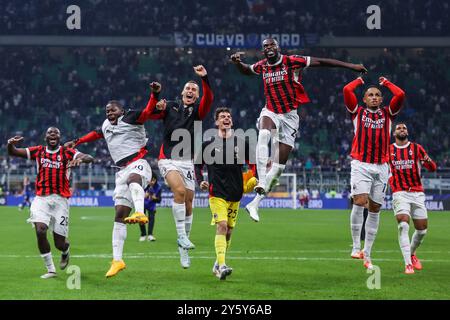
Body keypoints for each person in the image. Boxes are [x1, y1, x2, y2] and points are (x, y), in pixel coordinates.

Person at [230, 38, 367, 222]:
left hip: (290, 117)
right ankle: (261, 180)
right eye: (265, 47)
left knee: (278, 169)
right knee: (263, 134)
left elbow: (322, 62)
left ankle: (254, 204)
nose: (268, 48)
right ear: (263, 51)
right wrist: (238, 63)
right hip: (271, 111)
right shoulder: (262, 66)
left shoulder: (292, 61)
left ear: (277, 47)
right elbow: (247, 70)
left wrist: (350, 66)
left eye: (271, 45)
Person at [65, 82, 161, 277]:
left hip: (138, 162)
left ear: (121, 110)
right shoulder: (106, 125)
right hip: (120, 171)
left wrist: (154, 94)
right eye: (107, 110)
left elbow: (147, 112)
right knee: (119, 215)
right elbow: (97, 134)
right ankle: (117, 260)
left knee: (134, 179)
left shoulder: (131, 116)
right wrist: (78, 141)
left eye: (113, 109)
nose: (109, 112)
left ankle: (141, 213)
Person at [148, 65, 213, 268]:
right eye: (188, 88)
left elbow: (209, 99)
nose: (191, 91)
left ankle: (183, 251)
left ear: (197, 96)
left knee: (189, 202)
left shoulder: (198, 112)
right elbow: (150, 113)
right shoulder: (170, 106)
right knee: (179, 191)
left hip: (187, 161)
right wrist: (155, 98)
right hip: (167, 158)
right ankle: (181, 236)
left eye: (195, 90)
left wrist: (205, 79)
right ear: (182, 92)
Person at [7, 127, 93, 278]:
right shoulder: (38, 151)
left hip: (61, 200)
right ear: (45, 137)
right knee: (40, 230)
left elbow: (89, 157)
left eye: (56, 133)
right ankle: (51, 269)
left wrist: (80, 159)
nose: (53, 135)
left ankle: (66, 251)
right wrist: (10, 144)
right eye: (49, 133)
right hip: (42, 198)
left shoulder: (67, 152)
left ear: (59, 138)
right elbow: (13, 151)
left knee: (59, 244)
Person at [343, 76, 405, 269]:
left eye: (378, 95)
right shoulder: (357, 113)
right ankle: (355, 246)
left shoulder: (388, 114)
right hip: (361, 164)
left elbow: (400, 94)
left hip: (381, 167)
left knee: (375, 208)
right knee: (360, 201)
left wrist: (386, 83)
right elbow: (347, 90)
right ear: (364, 99)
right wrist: (359, 80)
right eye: (370, 95)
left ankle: (367, 252)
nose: (375, 97)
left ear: (381, 99)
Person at [194, 107, 257, 280]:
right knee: (221, 226)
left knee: (228, 231)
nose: (226, 119)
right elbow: (197, 166)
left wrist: (258, 179)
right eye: (222, 117)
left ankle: (217, 264)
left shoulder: (241, 143)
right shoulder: (208, 144)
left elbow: (254, 164)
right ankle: (222, 266)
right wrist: (201, 181)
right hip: (217, 194)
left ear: (232, 122)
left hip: (236, 194)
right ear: (216, 122)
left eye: (228, 116)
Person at [389, 123, 437, 274]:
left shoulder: (417, 148)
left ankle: (411, 253)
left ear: (407, 132)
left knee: (422, 231)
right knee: (403, 225)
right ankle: (408, 264)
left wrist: (428, 161)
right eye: (399, 128)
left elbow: (433, 168)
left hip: (417, 193)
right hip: (399, 192)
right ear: (394, 133)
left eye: (404, 128)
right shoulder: (388, 150)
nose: (402, 129)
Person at [139, 173, 162, 242]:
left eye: (154, 180)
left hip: (151, 205)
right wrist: (144, 196)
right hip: (142, 204)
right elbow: (138, 195)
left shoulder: (158, 187)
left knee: (151, 218)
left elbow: (159, 200)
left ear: (156, 180)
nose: (152, 182)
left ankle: (150, 235)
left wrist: (155, 198)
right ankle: (143, 234)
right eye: (150, 180)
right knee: (141, 218)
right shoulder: (144, 185)